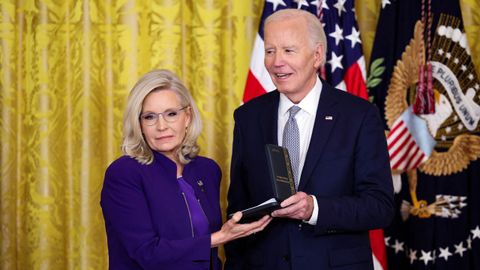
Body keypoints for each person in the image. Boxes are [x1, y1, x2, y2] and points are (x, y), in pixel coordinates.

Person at [225, 9, 394, 270]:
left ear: (317, 56)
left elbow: (379, 206)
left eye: (288, 51)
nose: (276, 62)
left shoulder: (359, 116)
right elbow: (238, 205)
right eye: (270, 51)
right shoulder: (248, 117)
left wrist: (314, 208)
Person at [101, 69, 272, 270]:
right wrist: (218, 238)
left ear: (188, 116)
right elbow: (146, 253)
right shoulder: (124, 173)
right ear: (139, 124)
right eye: (149, 117)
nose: (161, 126)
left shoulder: (207, 170)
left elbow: (208, 258)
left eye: (171, 114)